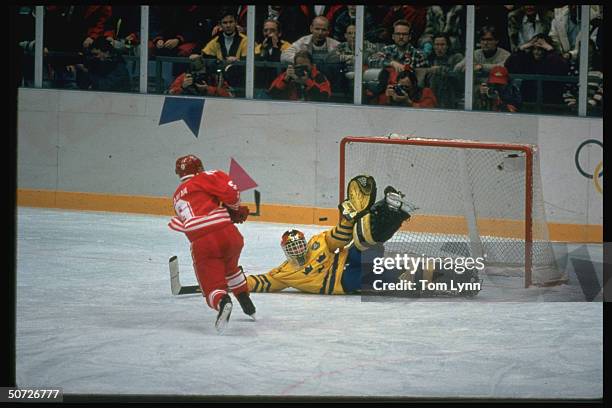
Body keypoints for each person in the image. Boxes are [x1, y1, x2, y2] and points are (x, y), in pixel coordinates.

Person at [245, 175, 479, 296]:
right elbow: (259, 283)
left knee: (362, 240)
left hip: (348, 259)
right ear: (285, 250)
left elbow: (339, 238)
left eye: (298, 244)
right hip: (344, 282)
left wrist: (347, 219)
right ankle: (460, 278)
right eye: (292, 246)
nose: (297, 249)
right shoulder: (283, 273)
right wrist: (224, 284)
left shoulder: (317, 243)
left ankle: (390, 212)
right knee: (397, 276)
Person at [168, 155, 255, 333]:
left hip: (202, 241)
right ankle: (247, 304)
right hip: (229, 235)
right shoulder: (209, 175)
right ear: (200, 167)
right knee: (231, 268)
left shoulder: (176, 196)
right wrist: (235, 208)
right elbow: (231, 193)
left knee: (211, 286)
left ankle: (223, 301)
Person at [505, 33, 569, 106]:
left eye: (540, 49)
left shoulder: (552, 59)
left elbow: (562, 67)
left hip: (550, 103)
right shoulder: (528, 60)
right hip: (529, 103)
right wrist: (521, 48)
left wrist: (550, 49)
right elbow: (509, 66)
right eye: (534, 49)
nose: (536, 52)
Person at [168, 55, 234, 97]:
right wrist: (182, 87)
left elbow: (229, 95)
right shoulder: (186, 76)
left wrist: (208, 89)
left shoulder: (215, 77)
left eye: (202, 73)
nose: (199, 76)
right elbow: (169, 93)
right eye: (197, 73)